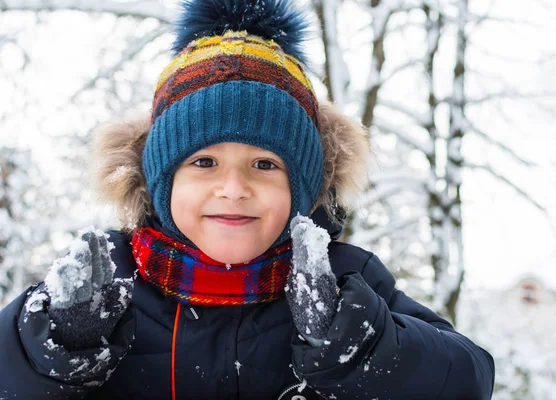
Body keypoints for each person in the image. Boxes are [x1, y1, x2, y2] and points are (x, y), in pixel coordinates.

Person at [0, 0, 495, 398]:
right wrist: (58, 345)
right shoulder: (108, 279)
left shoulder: (346, 280)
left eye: (264, 165)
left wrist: (361, 344)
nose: (234, 188)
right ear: (159, 179)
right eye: (204, 162)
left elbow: (468, 377)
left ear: (301, 188)